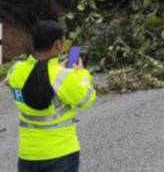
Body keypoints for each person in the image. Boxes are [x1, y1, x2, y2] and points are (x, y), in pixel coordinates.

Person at [6, 20, 96, 172]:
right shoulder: (63, 76)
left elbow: (36, 76)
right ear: (58, 45)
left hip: (27, 155)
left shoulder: (15, 71)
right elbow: (86, 99)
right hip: (61, 153)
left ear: (33, 43)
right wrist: (81, 73)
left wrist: (55, 68)